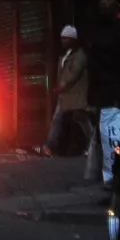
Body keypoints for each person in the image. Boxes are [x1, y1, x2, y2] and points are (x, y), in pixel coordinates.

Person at [85, 0, 120, 186]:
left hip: (116, 94)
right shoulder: (103, 28)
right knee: (107, 138)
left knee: (113, 138)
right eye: (101, 0)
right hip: (105, 94)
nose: (103, 3)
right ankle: (111, 179)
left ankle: (115, 179)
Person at [42, 25, 90, 157]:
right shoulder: (65, 54)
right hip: (66, 95)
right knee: (58, 119)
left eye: (66, 39)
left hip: (75, 94)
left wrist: (61, 86)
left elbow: (73, 73)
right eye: (62, 39)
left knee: (82, 120)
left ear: (73, 40)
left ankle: (92, 146)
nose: (63, 41)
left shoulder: (80, 55)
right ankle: (49, 146)